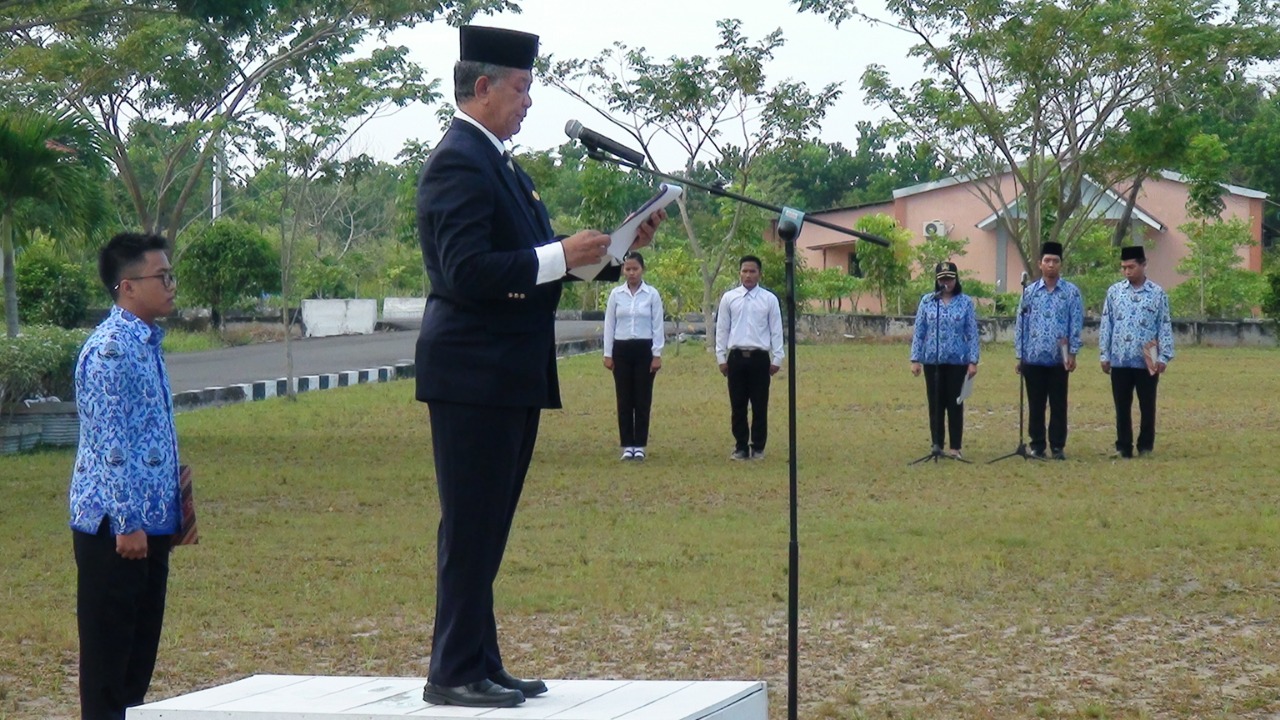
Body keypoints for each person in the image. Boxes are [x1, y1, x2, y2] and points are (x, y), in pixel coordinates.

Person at [414, 25, 665, 709]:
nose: (529, 102)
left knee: (487, 524)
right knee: (469, 525)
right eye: (521, 88)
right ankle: (452, 670)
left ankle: (479, 660)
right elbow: (467, 271)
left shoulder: (502, 164)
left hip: (505, 371)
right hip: (472, 372)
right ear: (483, 86)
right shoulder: (458, 161)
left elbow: (533, 266)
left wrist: (613, 251)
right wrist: (560, 253)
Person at [70, 232, 185, 720]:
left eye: (170, 275)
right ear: (128, 287)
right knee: (108, 671)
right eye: (162, 277)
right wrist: (127, 522)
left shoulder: (147, 344)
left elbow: (151, 435)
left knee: (137, 666)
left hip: (150, 528)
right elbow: (110, 444)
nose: (172, 285)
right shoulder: (111, 350)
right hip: (116, 532)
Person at [1098, 245, 1174, 458]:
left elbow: (1164, 324)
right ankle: (1123, 446)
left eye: (1131, 267)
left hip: (1148, 356)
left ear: (1143, 265)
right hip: (1120, 357)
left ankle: (1146, 446)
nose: (1127, 271)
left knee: (1147, 405)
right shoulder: (1114, 292)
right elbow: (1107, 324)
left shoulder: (1157, 293)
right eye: (1123, 268)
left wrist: (1164, 355)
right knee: (1122, 406)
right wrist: (1104, 354)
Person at [1013, 241, 1084, 460]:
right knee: (1036, 404)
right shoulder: (1030, 292)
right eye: (1047, 261)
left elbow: (1076, 323)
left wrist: (1072, 353)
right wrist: (1020, 354)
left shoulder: (1071, 293)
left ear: (1061, 264)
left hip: (1058, 359)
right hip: (1033, 357)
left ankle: (1057, 446)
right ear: (1040, 264)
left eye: (1055, 261)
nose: (1051, 265)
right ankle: (1037, 445)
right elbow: (1020, 324)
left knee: (1058, 403)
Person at [715, 255, 784, 461]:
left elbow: (776, 330)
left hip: (760, 358)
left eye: (752, 271)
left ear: (759, 274)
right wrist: (721, 357)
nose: (748, 275)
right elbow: (722, 328)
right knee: (738, 404)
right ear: (739, 273)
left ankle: (759, 447)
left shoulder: (769, 299)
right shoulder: (729, 298)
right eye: (744, 271)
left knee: (760, 404)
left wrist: (777, 357)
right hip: (736, 357)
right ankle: (741, 446)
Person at [909, 262, 980, 459]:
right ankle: (937, 444)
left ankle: (955, 447)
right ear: (937, 280)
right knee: (936, 403)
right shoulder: (928, 302)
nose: (946, 283)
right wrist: (915, 359)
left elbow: (972, 333)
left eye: (949, 279)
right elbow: (920, 332)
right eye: (942, 279)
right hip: (933, 361)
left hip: (958, 361)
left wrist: (973, 361)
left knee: (955, 403)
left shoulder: (965, 302)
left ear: (956, 280)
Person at [602, 252, 665, 461]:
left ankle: (640, 444)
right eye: (627, 269)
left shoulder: (652, 294)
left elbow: (658, 325)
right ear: (623, 270)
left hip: (644, 349)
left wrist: (656, 354)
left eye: (635, 269)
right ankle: (627, 444)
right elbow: (609, 325)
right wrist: (607, 353)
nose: (631, 273)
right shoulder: (616, 295)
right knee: (624, 398)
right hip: (621, 349)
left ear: (642, 270)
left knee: (642, 397)